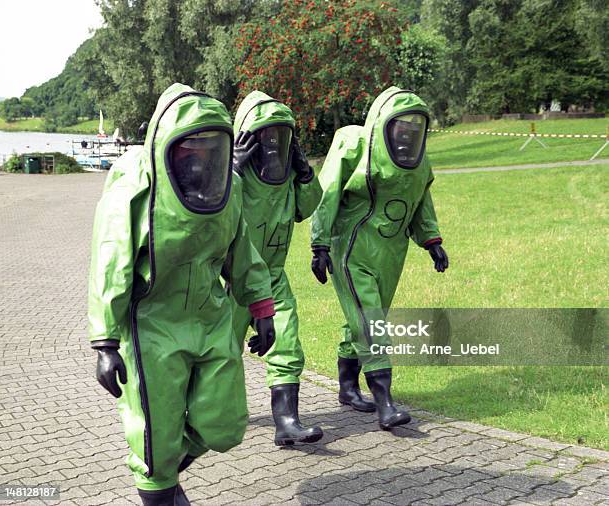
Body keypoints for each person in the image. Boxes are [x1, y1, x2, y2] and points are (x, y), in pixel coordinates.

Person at [88, 83, 276, 506]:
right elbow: (110, 261)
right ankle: (160, 484)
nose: (200, 161)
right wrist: (105, 341)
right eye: (190, 150)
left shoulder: (227, 191)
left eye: (210, 150)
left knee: (224, 423)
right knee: (155, 441)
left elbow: (241, 250)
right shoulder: (136, 192)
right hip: (152, 327)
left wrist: (263, 308)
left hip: (211, 320)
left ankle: (166, 473)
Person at [310, 87, 449, 431]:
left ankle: (346, 388)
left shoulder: (419, 163)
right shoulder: (355, 147)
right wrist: (320, 245)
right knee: (371, 319)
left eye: (413, 131)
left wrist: (432, 241)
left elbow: (420, 200)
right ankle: (385, 401)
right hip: (352, 249)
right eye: (400, 129)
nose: (406, 137)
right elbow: (326, 194)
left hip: (391, 252)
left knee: (363, 318)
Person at [229, 90, 324, 446]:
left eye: (279, 137)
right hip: (232, 282)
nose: (272, 145)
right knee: (221, 353)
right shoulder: (231, 177)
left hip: (272, 277)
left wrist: (304, 175)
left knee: (287, 345)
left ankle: (287, 421)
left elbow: (306, 209)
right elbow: (212, 217)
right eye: (265, 137)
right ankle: (200, 418)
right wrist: (231, 173)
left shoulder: (286, 178)